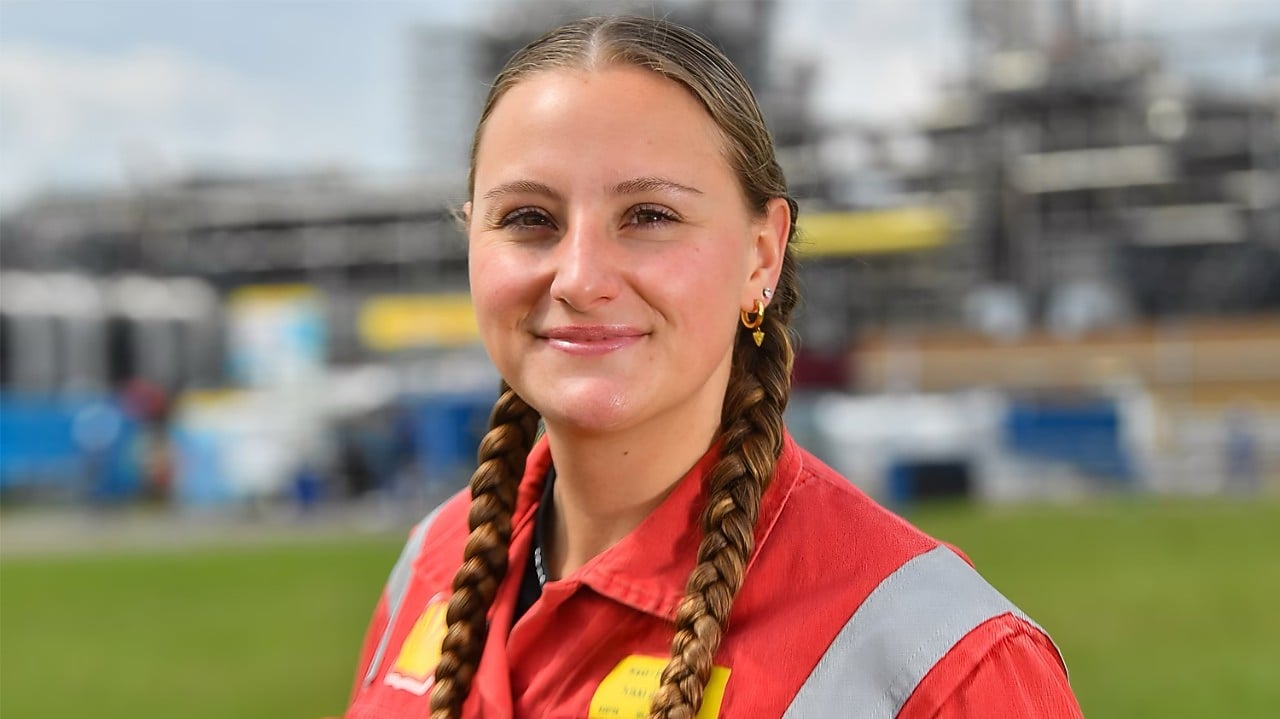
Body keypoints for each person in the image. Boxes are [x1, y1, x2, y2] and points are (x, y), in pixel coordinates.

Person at [343, 15, 1083, 719]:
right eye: (529, 219)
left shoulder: (943, 661)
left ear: (762, 254)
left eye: (650, 216)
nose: (579, 277)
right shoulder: (430, 565)